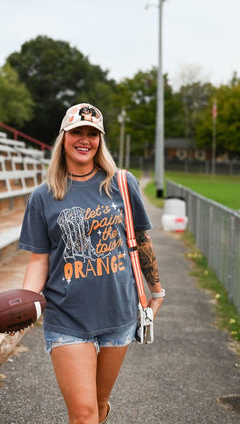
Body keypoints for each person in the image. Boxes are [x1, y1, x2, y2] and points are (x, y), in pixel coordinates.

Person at [18, 103, 164, 424]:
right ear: (64, 138)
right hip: (67, 317)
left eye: (92, 133)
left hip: (118, 313)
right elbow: (39, 260)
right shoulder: (43, 197)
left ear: (100, 140)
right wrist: (25, 302)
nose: (84, 140)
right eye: (77, 132)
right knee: (83, 413)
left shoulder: (122, 185)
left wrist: (157, 291)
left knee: (98, 404)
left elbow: (141, 240)